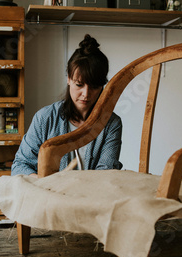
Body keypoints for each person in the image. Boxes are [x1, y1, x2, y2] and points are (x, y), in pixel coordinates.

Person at [11, 34, 123, 176]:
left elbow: (106, 174)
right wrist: (41, 182)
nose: (86, 94)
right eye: (79, 84)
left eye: (94, 87)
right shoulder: (45, 118)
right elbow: (20, 165)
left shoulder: (111, 123)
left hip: (91, 196)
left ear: (103, 86)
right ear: (69, 79)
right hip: (48, 194)